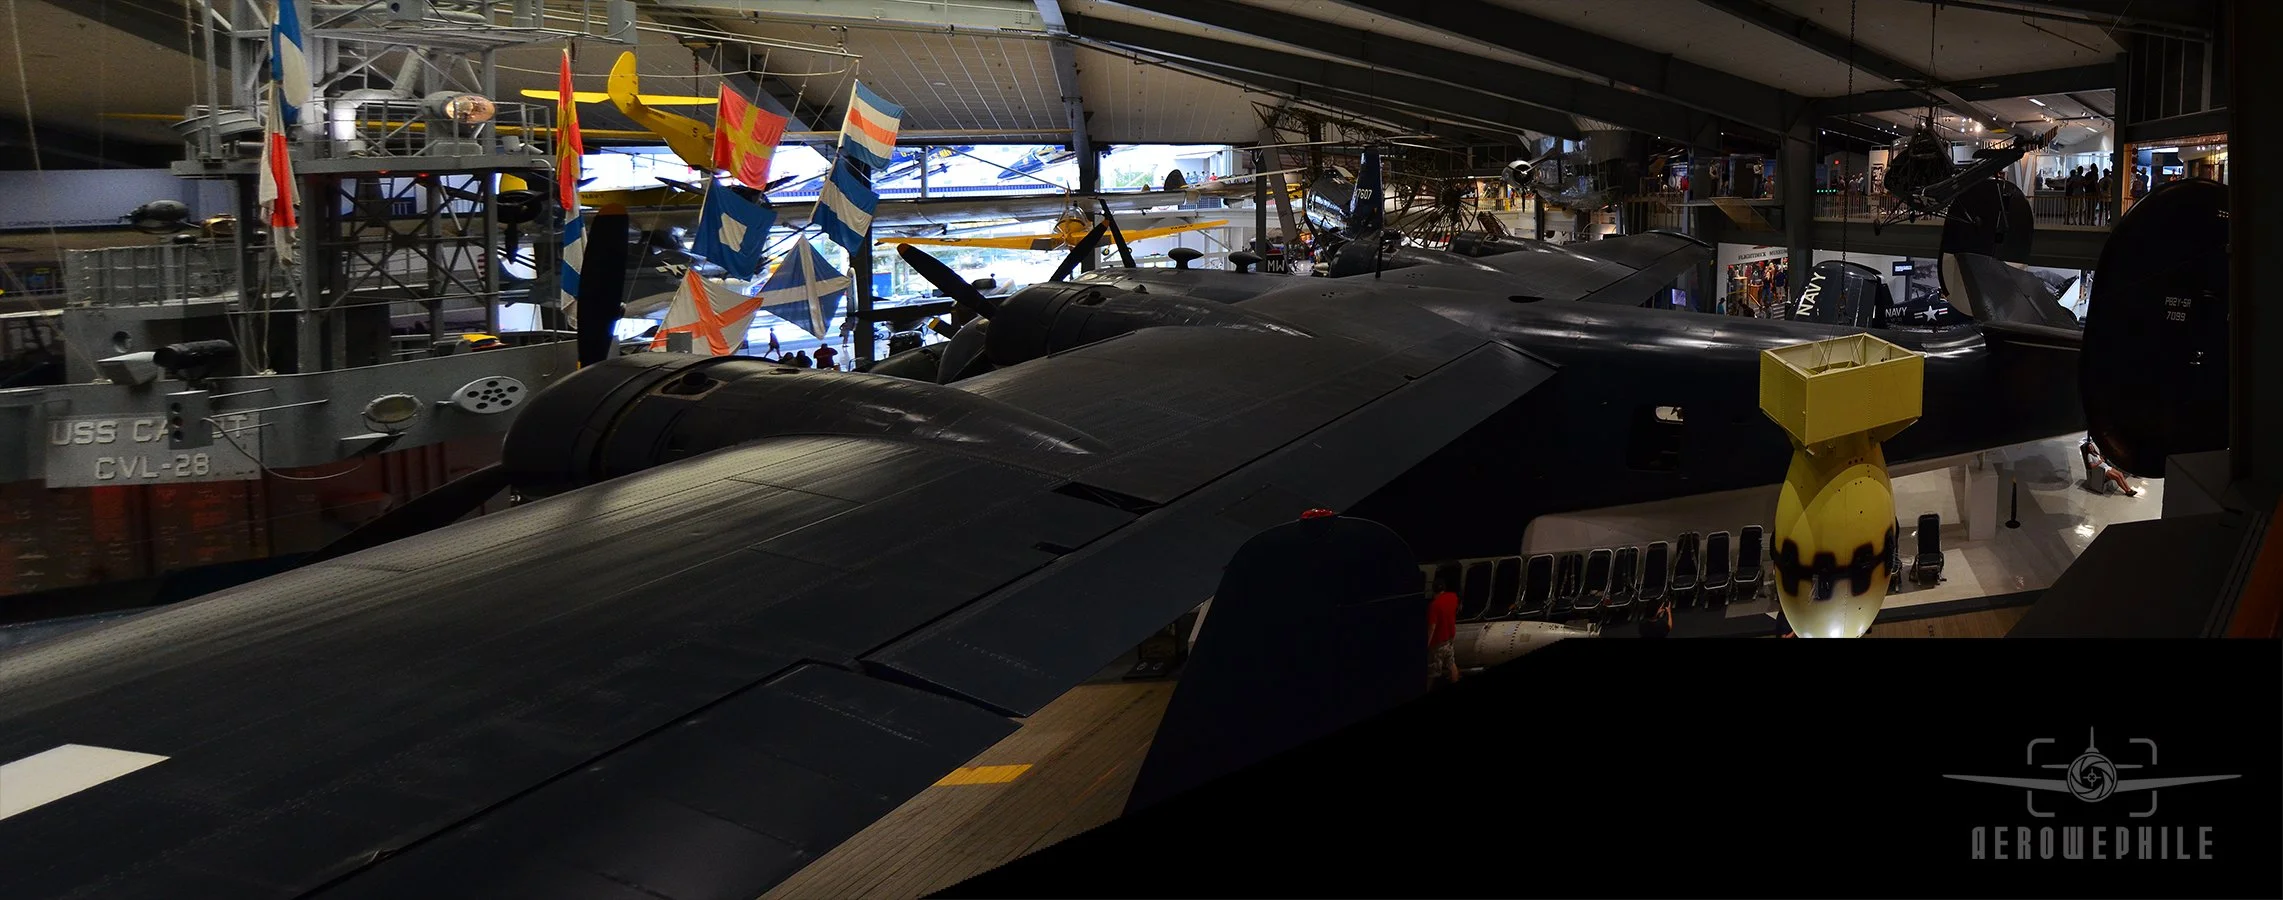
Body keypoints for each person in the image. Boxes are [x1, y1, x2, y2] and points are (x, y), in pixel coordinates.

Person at [1427, 576, 1460, 686]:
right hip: (1450, 639)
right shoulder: (1453, 597)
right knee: (1451, 664)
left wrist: (1427, 643)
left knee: (1432, 672)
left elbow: (1432, 627)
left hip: (1438, 642)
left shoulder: (1434, 605)